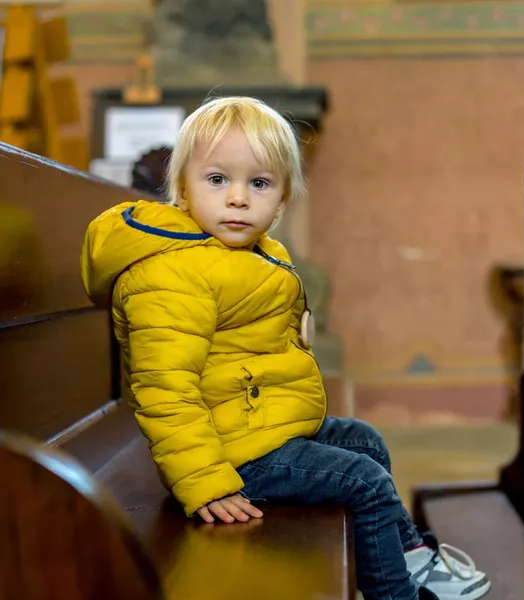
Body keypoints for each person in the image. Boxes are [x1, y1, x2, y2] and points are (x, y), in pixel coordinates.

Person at [80, 96, 491, 600]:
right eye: (217, 180)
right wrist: (206, 481)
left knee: (364, 441)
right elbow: (165, 390)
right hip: (230, 455)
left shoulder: (255, 255)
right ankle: (394, 592)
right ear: (182, 188)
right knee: (364, 480)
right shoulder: (171, 273)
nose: (238, 198)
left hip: (256, 427)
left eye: (259, 183)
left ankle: (410, 560)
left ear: (282, 198)